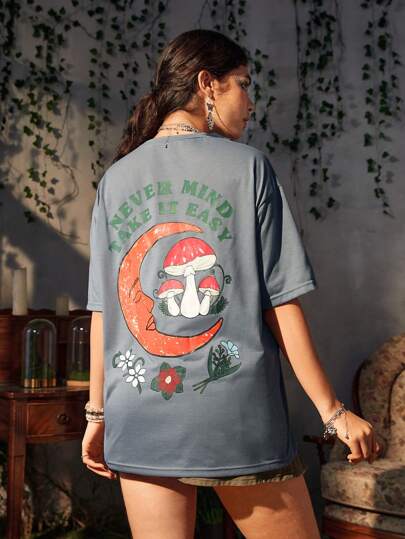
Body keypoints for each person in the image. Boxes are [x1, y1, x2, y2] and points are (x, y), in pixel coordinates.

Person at [82, 28, 380, 539]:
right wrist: (333, 413)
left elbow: (104, 311)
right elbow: (280, 303)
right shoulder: (250, 169)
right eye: (243, 83)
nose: (251, 102)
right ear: (207, 84)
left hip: (139, 418)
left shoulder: (116, 179)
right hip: (234, 419)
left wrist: (97, 414)